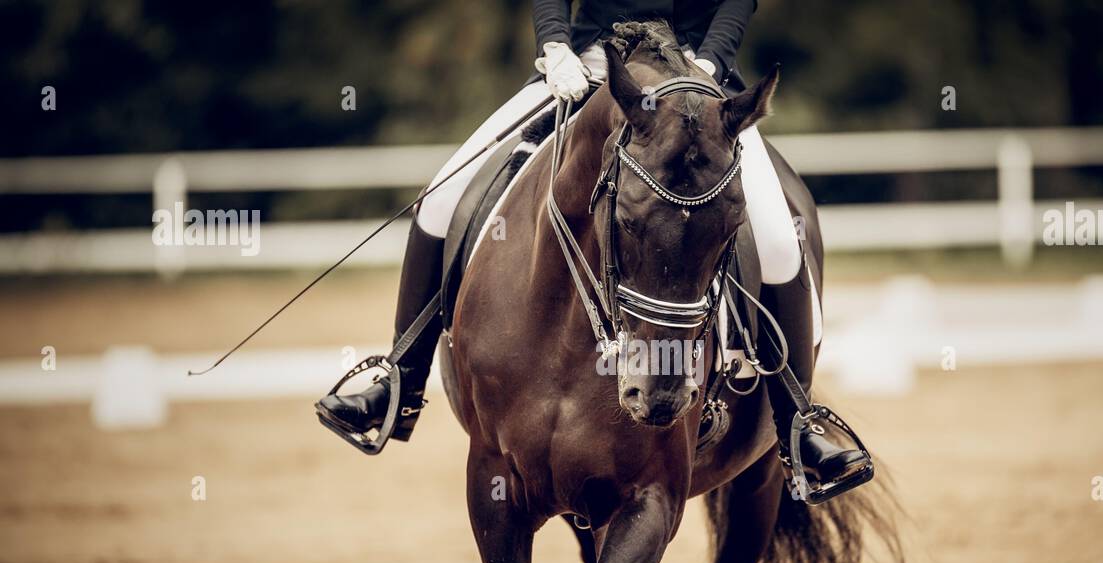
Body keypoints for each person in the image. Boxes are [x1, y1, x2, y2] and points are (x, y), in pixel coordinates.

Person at [317, 1, 872, 493]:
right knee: (440, 199)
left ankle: (799, 426)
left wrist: (706, 65)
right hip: (590, 71)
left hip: (702, 84)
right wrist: (555, 46)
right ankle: (399, 381)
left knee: (778, 239)